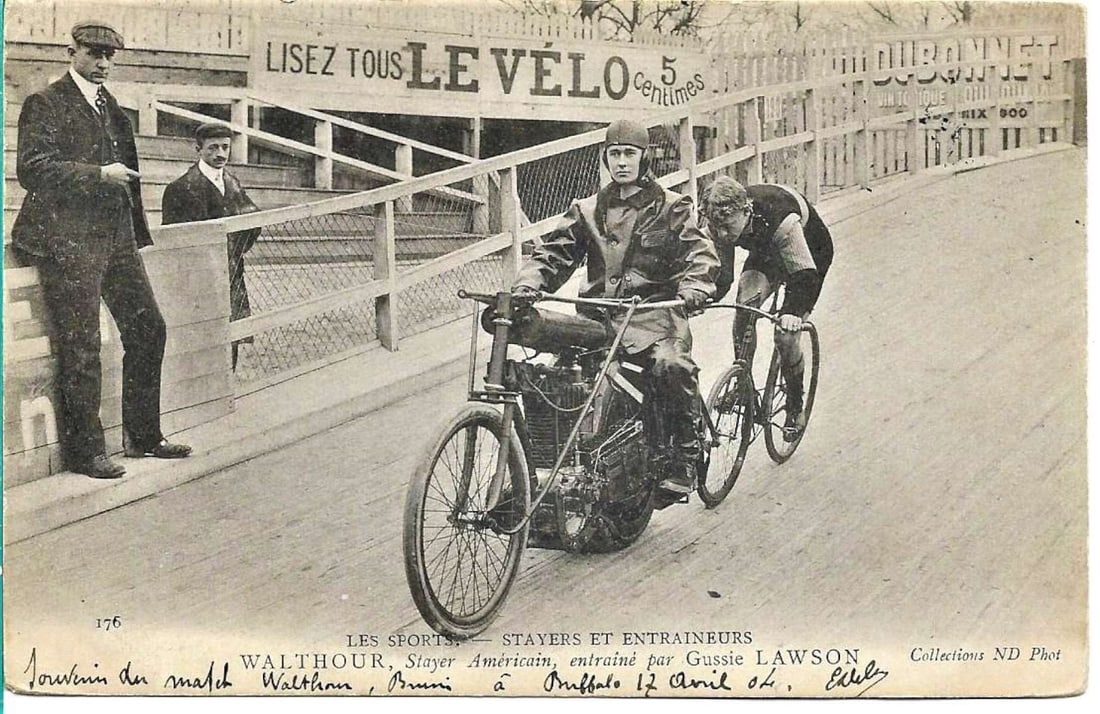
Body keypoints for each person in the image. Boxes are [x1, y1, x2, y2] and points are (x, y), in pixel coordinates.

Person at [10, 21, 192, 479]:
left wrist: (133, 235)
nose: (103, 63)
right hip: (67, 242)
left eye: (110, 56)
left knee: (149, 329)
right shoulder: (45, 103)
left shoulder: (111, 107)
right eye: (94, 54)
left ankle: (144, 436)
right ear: (71, 51)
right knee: (82, 346)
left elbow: (126, 176)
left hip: (115, 240)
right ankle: (86, 452)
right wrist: (97, 174)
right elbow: (33, 170)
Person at [511, 118, 719, 495]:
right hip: (598, 319)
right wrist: (528, 285)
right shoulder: (586, 209)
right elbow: (551, 256)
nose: (622, 162)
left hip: (655, 318)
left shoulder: (672, 207)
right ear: (605, 158)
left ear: (644, 158)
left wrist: (695, 285)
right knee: (553, 377)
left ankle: (685, 456)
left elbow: (700, 254)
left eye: (629, 154)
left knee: (671, 365)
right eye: (615, 154)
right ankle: (556, 466)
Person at [701, 176, 834, 440]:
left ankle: (796, 406)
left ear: (746, 210)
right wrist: (703, 297)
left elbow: (804, 276)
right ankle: (743, 384)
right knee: (744, 307)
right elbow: (723, 278)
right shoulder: (719, 221)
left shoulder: (780, 219)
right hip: (766, 251)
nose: (723, 235)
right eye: (717, 229)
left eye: (728, 227)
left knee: (785, 336)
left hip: (809, 255)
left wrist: (793, 313)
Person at [161, 122, 262, 370]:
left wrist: (232, 253)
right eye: (213, 147)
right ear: (198, 148)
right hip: (196, 278)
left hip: (230, 273)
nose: (220, 154)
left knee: (231, 337)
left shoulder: (233, 183)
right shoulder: (179, 189)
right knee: (198, 339)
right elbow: (172, 242)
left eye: (225, 147)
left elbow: (253, 222)